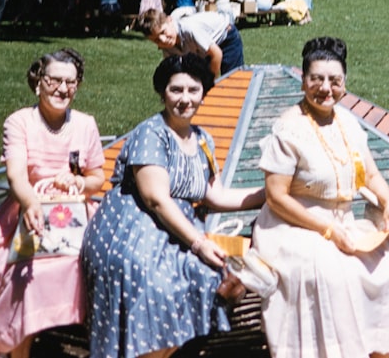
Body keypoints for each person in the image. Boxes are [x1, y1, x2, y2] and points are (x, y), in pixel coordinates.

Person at [81, 54, 265, 358]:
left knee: (214, 277)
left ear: (204, 92)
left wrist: (267, 191)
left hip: (174, 229)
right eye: (175, 90)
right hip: (133, 227)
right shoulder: (152, 133)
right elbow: (155, 199)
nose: (185, 99)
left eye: (193, 90)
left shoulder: (203, 138)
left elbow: (214, 195)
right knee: (156, 284)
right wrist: (198, 243)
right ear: (162, 92)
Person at [252, 37, 389, 358]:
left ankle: (376, 351)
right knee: (332, 275)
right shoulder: (288, 128)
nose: (326, 88)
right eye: (316, 79)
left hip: (344, 222)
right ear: (303, 81)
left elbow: (372, 175)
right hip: (294, 226)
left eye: (334, 80)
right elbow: (277, 197)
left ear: (345, 83)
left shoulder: (348, 123)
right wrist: (327, 230)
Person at [0, 48, 105, 358]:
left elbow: (98, 177)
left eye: (71, 82)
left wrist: (80, 182)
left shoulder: (86, 124)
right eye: (55, 80)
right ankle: (19, 351)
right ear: (38, 82)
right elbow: (16, 175)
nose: (63, 89)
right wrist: (31, 201)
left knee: (96, 266)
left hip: (74, 214)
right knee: (28, 276)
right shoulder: (19, 122)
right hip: (26, 210)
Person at [136, 7, 244, 77]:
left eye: (163, 32)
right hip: (202, 48)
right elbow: (174, 70)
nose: (163, 40)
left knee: (233, 79)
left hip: (225, 37)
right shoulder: (167, 45)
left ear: (169, 20)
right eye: (156, 40)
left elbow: (217, 54)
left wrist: (211, 84)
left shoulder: (189, 30)